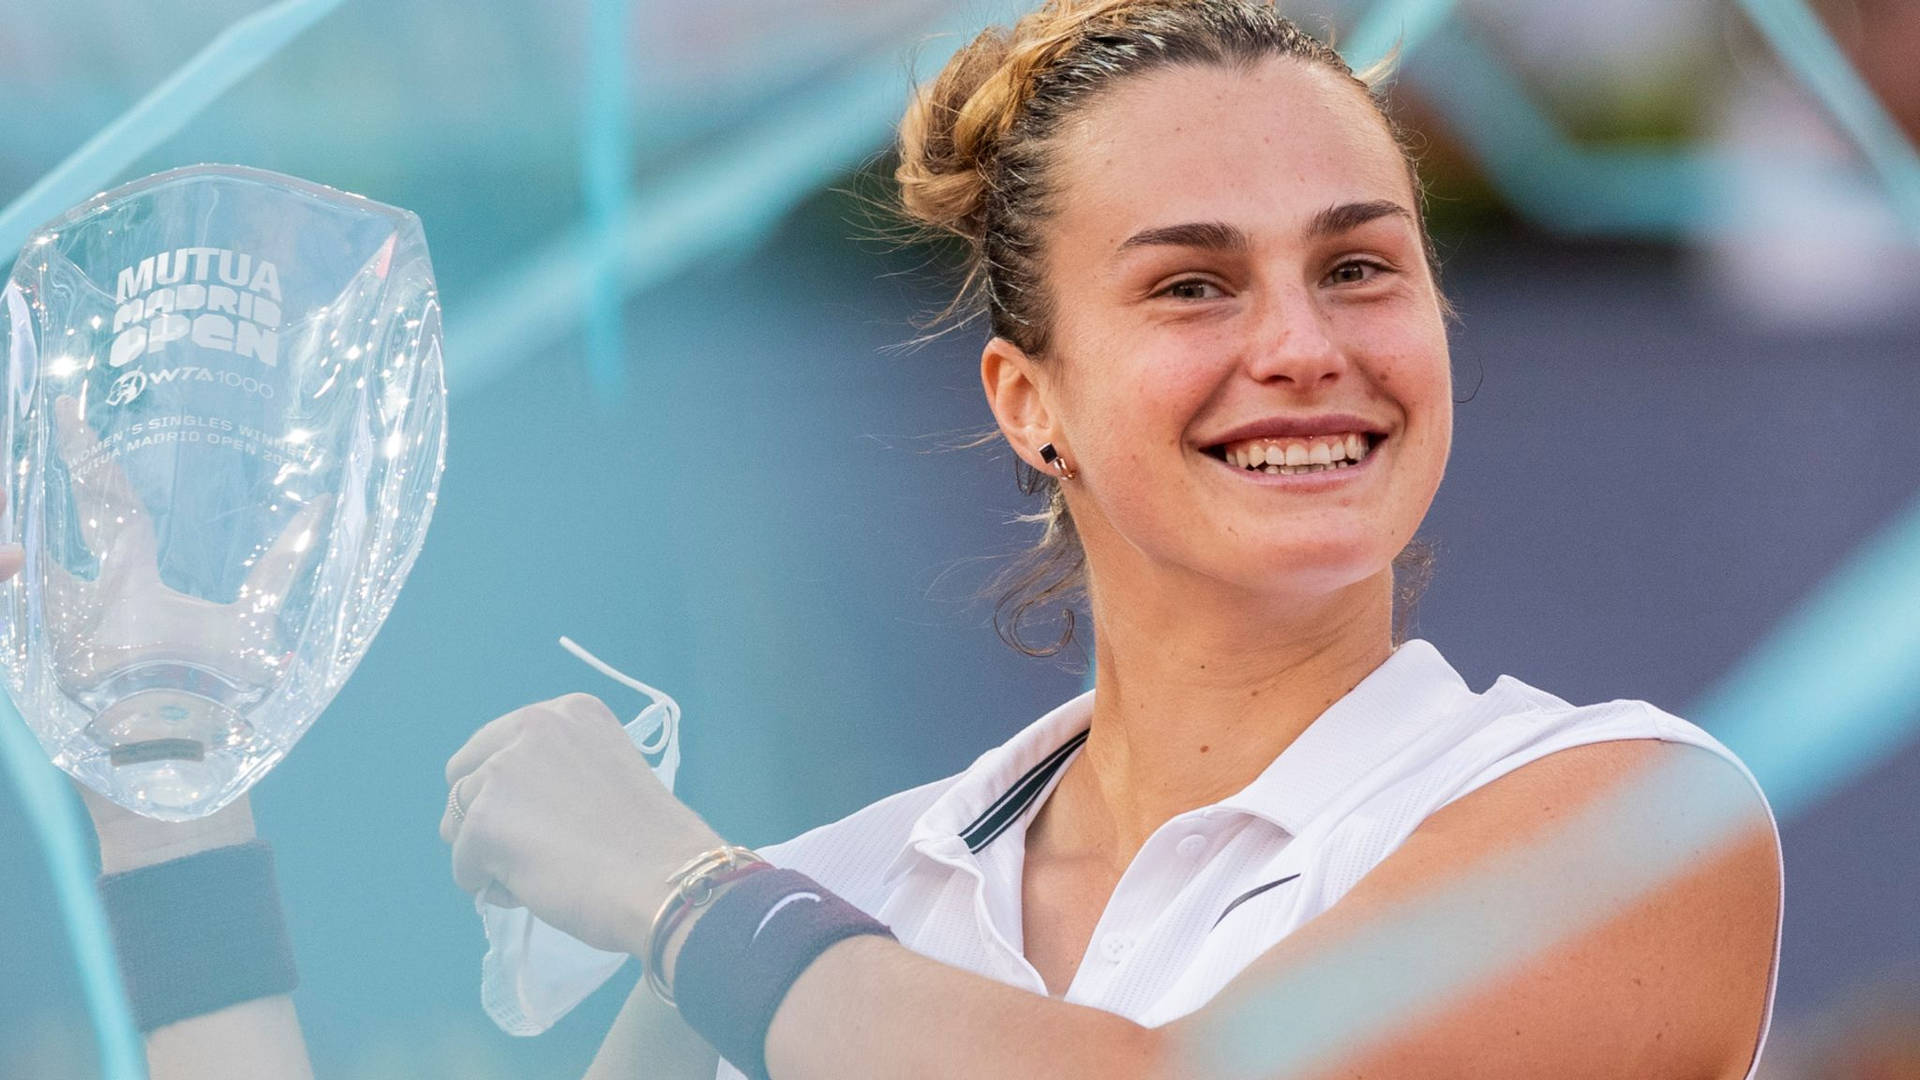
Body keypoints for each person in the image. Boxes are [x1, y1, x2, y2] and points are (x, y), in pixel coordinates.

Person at [53, 2, 1783, 1078]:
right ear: (1031, 399)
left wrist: (685, 896)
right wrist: (159, 768)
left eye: (1359, 265)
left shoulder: (1633, 816)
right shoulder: (829, 914)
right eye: (1193, 281)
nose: (1304, 345)